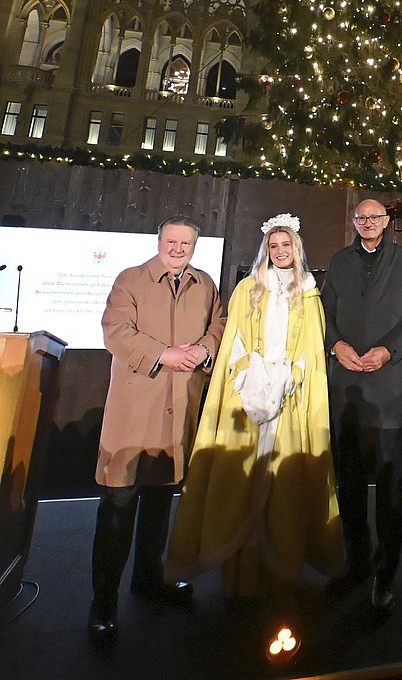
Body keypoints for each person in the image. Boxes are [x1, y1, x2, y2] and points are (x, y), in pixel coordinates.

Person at [165, 214, 342, 602]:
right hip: (247, 394)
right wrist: (250, 373)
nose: (280, 252)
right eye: (274, 246)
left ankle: (279, 572)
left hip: (289, 397)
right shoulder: (248, 288)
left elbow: (311, 349)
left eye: (286, 246)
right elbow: (235, 340)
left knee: (282, 479)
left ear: (296, 250)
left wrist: (290, 376)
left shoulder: (309, 293)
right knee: (241, 479)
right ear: (266, 249)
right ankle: (239, 577)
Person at [88, 215, 224, 642]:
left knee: (160, 505)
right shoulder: (131, 278)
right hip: (134, 414)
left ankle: (149, 581)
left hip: (179, 412)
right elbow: (116, 332)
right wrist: (164, 354)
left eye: (186, 243)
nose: (178, 248)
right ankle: (103, 602)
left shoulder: (205, 285)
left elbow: (218, 326)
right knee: (117, 509)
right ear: (159, 241)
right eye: (172, 241)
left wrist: (204, 349)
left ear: (194, 247)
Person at [322, 197, 402, 614]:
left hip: (387, 389)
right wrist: (335, 344)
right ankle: (357, 562)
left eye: (375, 217)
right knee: (348, 483)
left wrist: (389, 350)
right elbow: (323, 312)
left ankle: (385, 576)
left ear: (387, 221)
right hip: (346, 389)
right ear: (355, 221)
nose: (368, 222)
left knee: (390, 487)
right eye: (362, 217)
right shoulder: (337, 262)